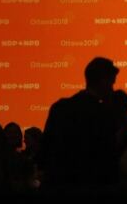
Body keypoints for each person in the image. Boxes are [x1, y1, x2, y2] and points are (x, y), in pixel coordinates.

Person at [38, 57, 120, 190]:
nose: (112, 88)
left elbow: (45, 150)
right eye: (112, 83)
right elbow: (108, 159)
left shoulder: (60, 107)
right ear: (103, 82)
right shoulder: (103, 115)